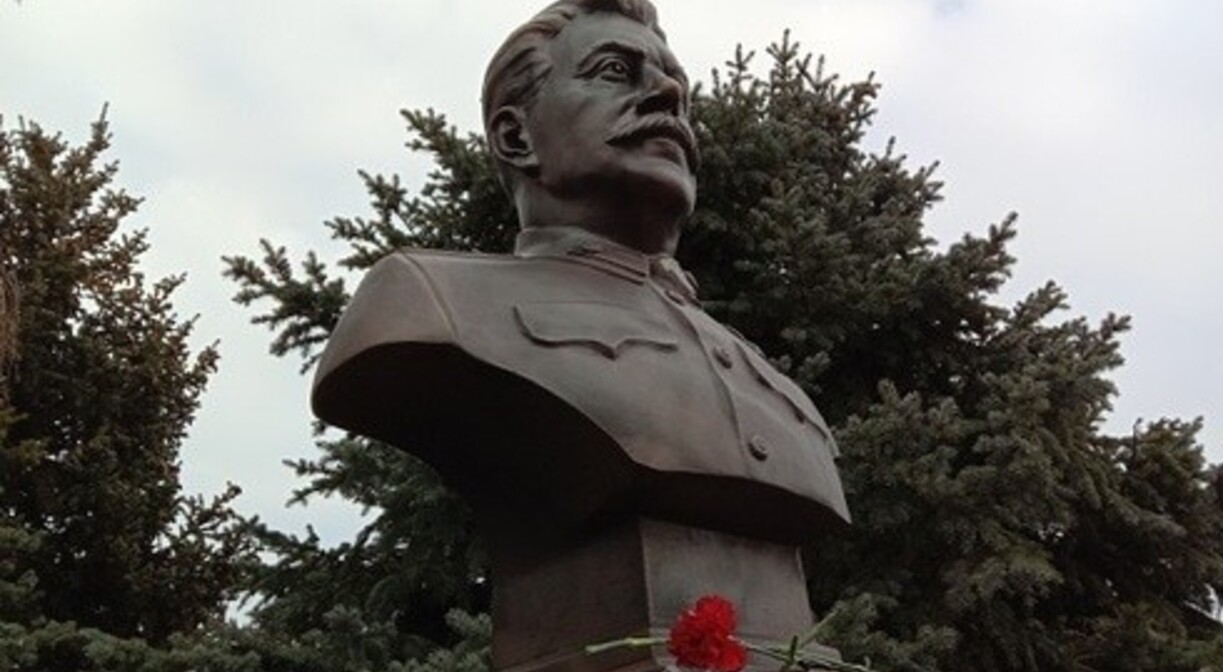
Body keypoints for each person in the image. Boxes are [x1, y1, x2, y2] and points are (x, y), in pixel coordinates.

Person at [312, 1, 850, 667]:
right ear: (517, 137)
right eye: (614, 71)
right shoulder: (431, 302)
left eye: (674, 84)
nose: (668, 96)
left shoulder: (765, 378)